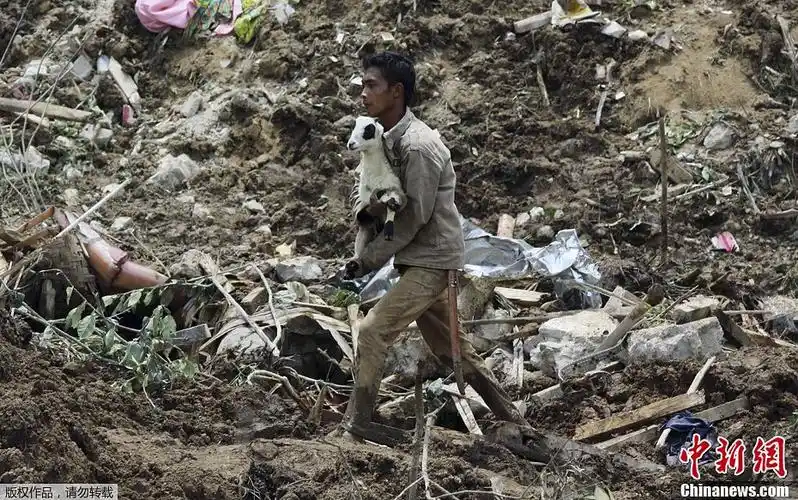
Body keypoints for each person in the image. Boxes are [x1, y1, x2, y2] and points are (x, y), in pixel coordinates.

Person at [340, 51, 528, 441]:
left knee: (372, 331)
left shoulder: (418, 146)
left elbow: (414, 216)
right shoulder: (380, 138)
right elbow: (367, 185)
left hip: (433, 259)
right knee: (451, 348)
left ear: (396, 92)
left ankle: (357, 426)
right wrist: (365, 211)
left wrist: (368, 260)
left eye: (371, 85)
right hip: (417, 257)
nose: (363, 94)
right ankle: (515, 420)